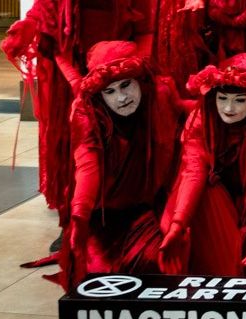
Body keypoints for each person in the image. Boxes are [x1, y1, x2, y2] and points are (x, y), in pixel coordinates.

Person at [1, 0, 156, 265]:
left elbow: (145, 29)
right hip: (73, 79)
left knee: (124, 147)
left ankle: (127, 217)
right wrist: (77, 82)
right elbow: (53, 40)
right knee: (75, 150)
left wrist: (132, 68)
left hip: (123, 73)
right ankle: (74, 220)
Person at [57, 40, 183, 290]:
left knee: (155, 268)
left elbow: (186, 111)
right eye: (110, 91)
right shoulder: (85, 112)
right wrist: (80, 217)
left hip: (147, 206)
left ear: (140, 81)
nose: (122, 98)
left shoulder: (161, 94)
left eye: (126, 85)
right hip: (102, 213)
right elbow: (87, 165)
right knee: (99, 280)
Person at [160, 53, 246, 278]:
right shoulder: (200, 119)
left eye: (239, 100)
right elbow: (193, 171)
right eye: (222, 99)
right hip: (202, 200)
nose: (229, 108)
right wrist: (178, 224)